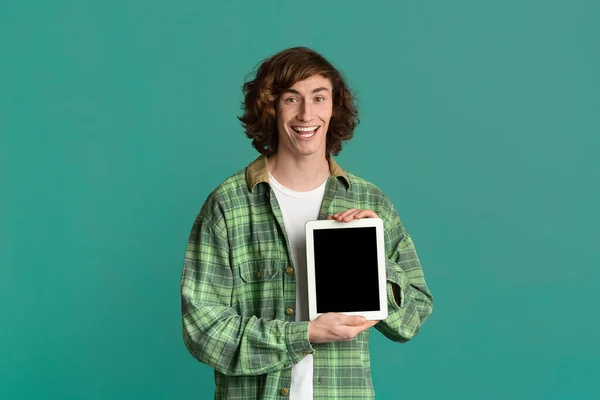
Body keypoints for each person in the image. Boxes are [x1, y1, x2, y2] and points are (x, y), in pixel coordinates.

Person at [180, 47, 433, 400]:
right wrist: (305, 334)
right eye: (291, 99)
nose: (306, 114)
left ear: (334, 107)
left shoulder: (369, 202)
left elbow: (412, 318)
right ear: (270, 107)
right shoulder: (229, 204)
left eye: (319, 98)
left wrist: (374, 258)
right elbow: (202, 329)